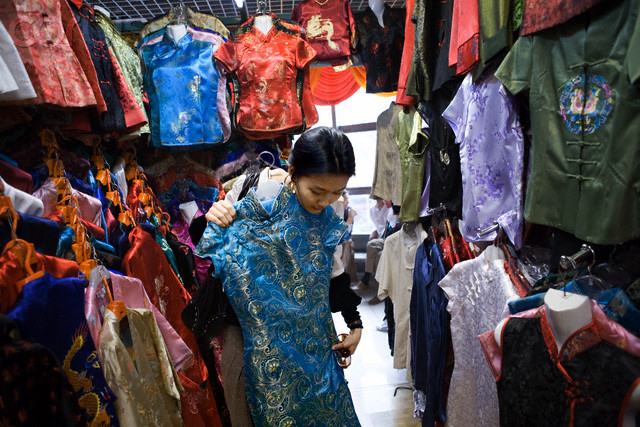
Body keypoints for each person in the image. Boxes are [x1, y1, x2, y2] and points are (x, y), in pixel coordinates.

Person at [198, 127, 362, 426]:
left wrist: (354, 324)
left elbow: (333, 268)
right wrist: (216, 214)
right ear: (293, 170)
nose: (325, 201)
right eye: (317, 191)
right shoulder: (253, 191)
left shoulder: (329, 207)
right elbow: (210, 240)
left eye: (336, 192)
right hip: (253, 336)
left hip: (310, 337)